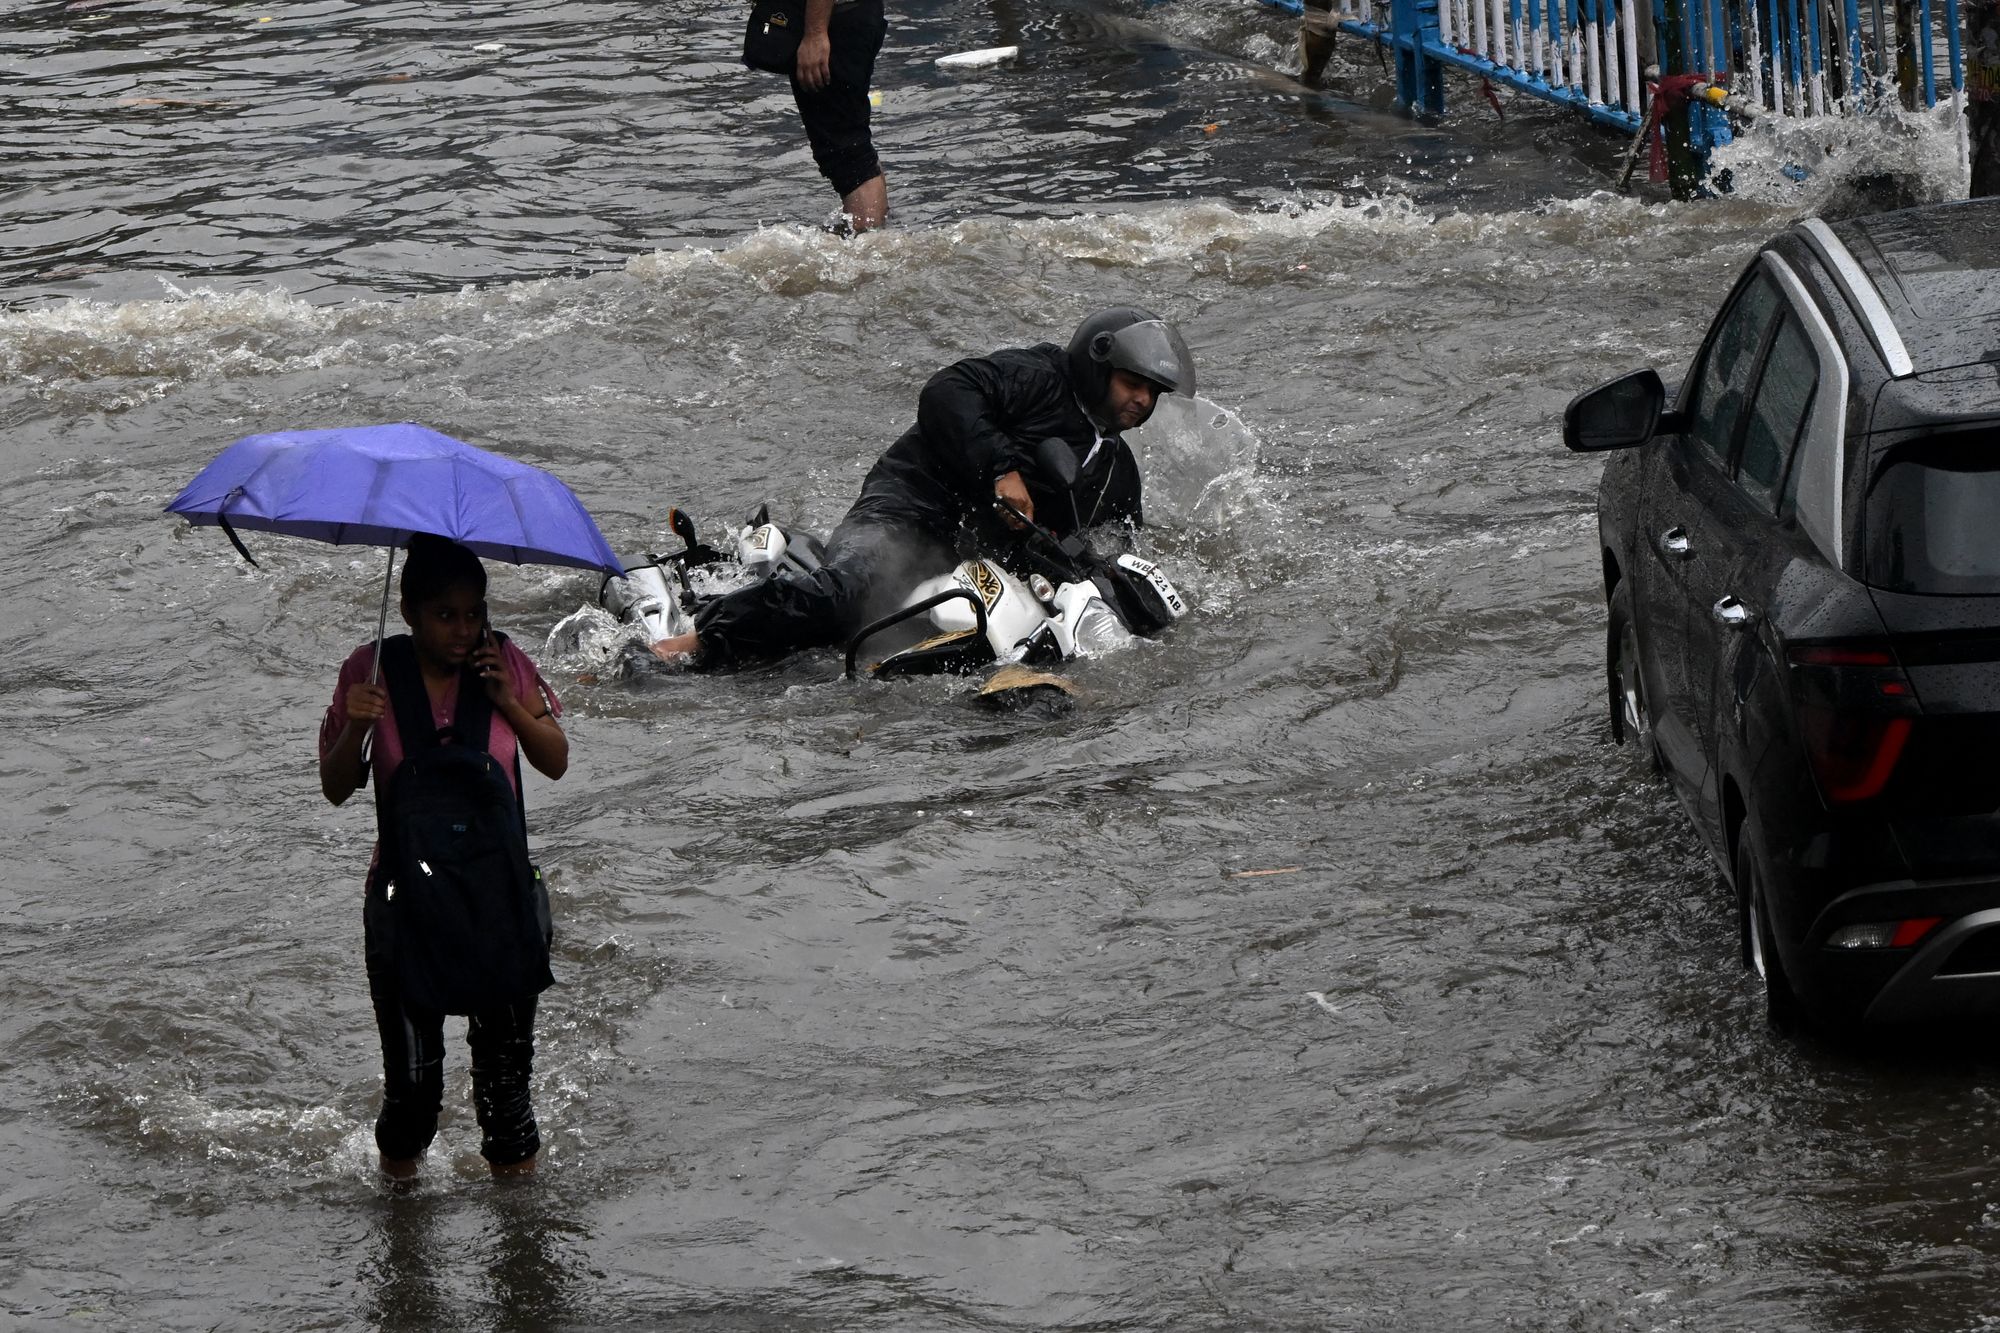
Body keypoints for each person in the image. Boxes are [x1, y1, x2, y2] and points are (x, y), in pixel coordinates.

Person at [650, 306, 1195, 668]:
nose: (1143, 401)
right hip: (905, 511)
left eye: (1153, 393)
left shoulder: (1117, 469)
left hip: (971, 561)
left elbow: (1117, 547)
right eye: (1133, 384)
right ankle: (685, 642)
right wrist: (1002, 470)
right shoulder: (1038, 378)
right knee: (849, 599)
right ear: (1097, 366)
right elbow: (946, 391)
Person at [318, 533, 570, 1180]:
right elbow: (336, 785)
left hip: (500, 898)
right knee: (412, 1099)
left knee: (508, 1103)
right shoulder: (368, 673)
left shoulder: (503, 662)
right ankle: (403, 1251)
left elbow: (556, 760)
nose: (463, 631)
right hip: (408, 906)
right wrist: (356, 726)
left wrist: (507, 701)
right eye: (445, 614)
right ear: (406, 611)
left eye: (474, 613)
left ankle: (521, 1250)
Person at [791, 0, 889, 231]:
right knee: (852, 148)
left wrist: (815, 34)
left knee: (847, 155)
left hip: (834, 22)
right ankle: (873, 235)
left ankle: (866, 249)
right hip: (846, 17)